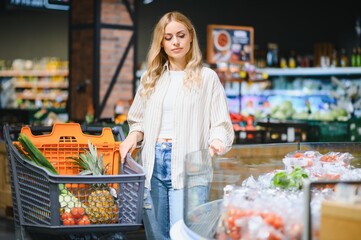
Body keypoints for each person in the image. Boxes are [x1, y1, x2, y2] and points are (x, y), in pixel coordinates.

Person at [119, 11, 234, 239]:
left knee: (185, 235)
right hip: (153, 164)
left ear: (190, 37)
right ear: (161, 43)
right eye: (168, 37)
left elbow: (220, 123)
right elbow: (138, 121)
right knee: (158, 235)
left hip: (191, 164)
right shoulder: (150, 78)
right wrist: (131, 139)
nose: (176, 42)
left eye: (181, 35)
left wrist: (216, 143)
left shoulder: (207, 78)